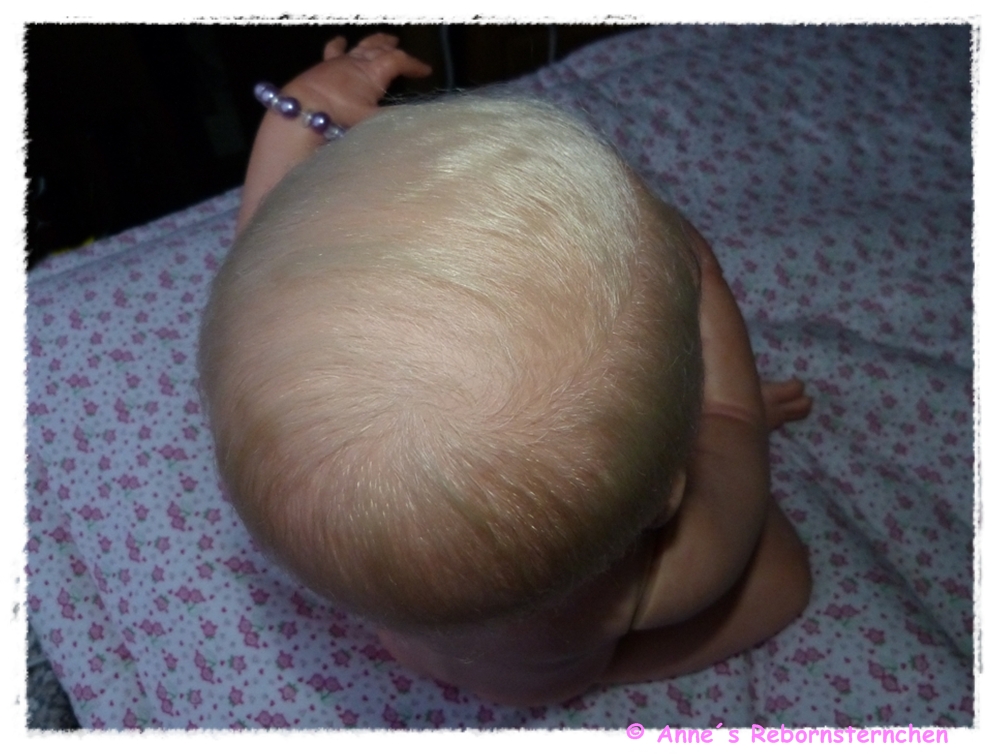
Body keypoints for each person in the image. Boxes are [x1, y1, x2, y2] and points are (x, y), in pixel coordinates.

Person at [199, 34, 813, 706]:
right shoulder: (673, 567)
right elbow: (730, 414)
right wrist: (704, 277)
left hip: (412, 635)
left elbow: (263, 258)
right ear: (665, 495)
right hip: (544, 664)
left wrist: (299, 112)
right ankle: (600, 672)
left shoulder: (287, 463)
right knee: (783, 580)